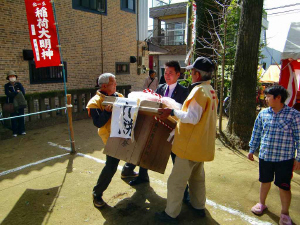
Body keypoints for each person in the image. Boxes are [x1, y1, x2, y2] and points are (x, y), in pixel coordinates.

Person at [155, 57, 218, 223]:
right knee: (197, 178)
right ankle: (198, 207)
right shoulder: (210, 90)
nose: (190, 74)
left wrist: (172, 112)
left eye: (192, 71)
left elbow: (191, 117)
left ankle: (171, 214)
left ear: (197, 74)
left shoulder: (198, 91)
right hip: (202, 144)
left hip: (190, 145)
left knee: (176, 182)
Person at [121, 61, 189, 188]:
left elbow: (183, 111)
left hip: (173, 129)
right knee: (147, 147)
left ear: (178, 74)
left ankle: (184, 190)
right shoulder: (161, 88)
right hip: (158, 125)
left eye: (170, 73)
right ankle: (142, 176)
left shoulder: (184, 91)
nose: (167, 75)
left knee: (176, 158)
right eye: (166, 72)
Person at [248, 85, 300, 225]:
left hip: (285, 159)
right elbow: (256, 132)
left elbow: (299, 137)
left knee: (284, 186)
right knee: (264, 181)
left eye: (268, 96)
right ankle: (261, 204)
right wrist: (252, 149)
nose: (266, 99)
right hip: (265, 156)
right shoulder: (263, 114)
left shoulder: (293, 115)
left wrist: (299, 158)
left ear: (278, 98)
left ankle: (285, 214)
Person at [86, 73, 137, 208]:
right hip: (111, 138)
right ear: (104, 86)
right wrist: (107, 112)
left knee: (136, 151)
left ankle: (127, 171)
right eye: (113, 83)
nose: (116, 85)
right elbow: (98, 123)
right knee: (111, 166)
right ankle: (97, 193)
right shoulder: (95, 102)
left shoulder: (119, 97)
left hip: (124, 133)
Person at [4, 70, 26, 137]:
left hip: (20, 103)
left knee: (21, 117)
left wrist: (16, 93)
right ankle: (15, 131)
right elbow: (8, 94)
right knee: (13, 118)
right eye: (10, 76)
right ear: (8, 78)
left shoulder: (18, 84)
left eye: (13, 76)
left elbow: (23, 92)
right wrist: (16, 93)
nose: (12, 77)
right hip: (12, 104)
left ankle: (22, 130)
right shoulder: (7, 86)